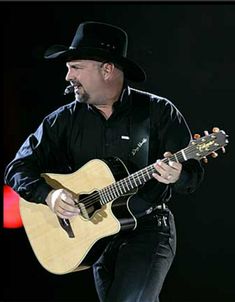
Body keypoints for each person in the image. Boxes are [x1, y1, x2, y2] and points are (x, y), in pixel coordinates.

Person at [4, 21, 204, 302]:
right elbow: (17, 168)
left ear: (107, 69)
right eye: (68, 68)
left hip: (147, 230)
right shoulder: (63, 120)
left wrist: (177, 174)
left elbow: (192, 176)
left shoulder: (158, 112)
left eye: (76, 67)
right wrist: (50, 195)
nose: (67, 76)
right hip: (96, 239)